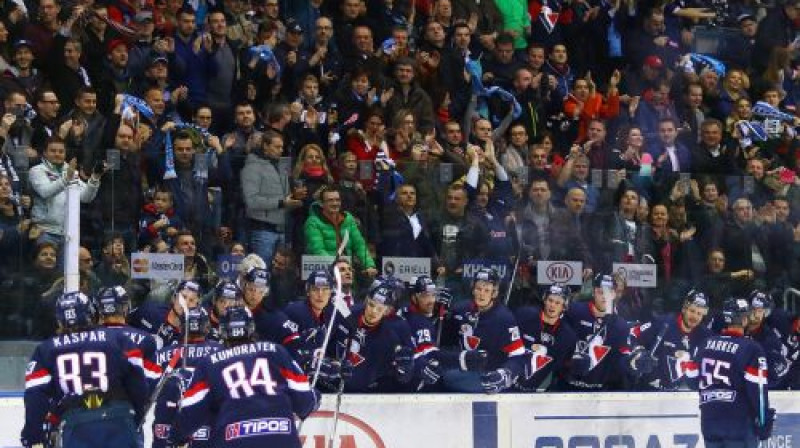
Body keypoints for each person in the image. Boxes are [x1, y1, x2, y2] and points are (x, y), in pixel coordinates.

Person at [169, 305, 320, 448]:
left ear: (222, 331)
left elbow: (190, 416)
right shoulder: (277, 352)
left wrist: (175, 437)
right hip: (282, 440)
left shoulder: (210, 363)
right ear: (251, 328)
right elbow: (304, 403)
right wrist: (315, 397)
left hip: (234, 441)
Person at [21, 292, 148, 448]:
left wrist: (32, 435)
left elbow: (35, 396)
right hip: (119, 419)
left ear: (60, 320)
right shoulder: (118, 339)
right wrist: (137, 416)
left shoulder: (46, 349)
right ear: (91, 313)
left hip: (75, 423)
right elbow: (138, 385)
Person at [697, 297, 775, 446]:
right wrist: (764, 421)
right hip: (739, 423)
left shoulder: (705, 344)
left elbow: (692, 379)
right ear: (745, 319)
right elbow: (757, 391)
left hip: (709, 422)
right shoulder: (752, 348)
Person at [441, 268, 527, 393]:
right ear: (473, 289)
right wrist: (439, 311)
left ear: (494, 293)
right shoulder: (460, 310)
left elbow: (518, 356)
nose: (482, 294)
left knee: (450, 377)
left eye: (487, 290)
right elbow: (443, 344)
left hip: (489, 378)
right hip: (462, 372)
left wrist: (504, 374)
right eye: (478, 289)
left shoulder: (504, 318)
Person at [152, 306, 223, 448]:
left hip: (167, 423)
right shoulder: (222, 352)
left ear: (182, 327)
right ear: (207, 327)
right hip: (207, 423)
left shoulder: (162, 354)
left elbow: (147, 388)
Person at [631, 290, 713, 391]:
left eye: (699, 314)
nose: (695, 317)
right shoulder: (663, 324)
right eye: (692, 311)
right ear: (684, 308)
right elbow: (633, 334)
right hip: (649, 392)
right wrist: (639, 353)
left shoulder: (705, 336)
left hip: (681, 397)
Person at [513, 284, 578, 392]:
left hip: (538, 393)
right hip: (509, 385)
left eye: (557, 303)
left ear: (564, 306)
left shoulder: (568, 336)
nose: (552, 305)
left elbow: (563, 369)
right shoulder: (524, 315)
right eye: (550, 300)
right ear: (544, 300)